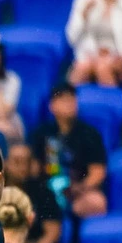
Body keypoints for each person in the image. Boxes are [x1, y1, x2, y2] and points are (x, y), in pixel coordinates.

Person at [28, 84, 108, 220]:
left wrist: (79, 188)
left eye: (72, 99)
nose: (69, 104)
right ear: (52, 106)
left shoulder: (89, 134)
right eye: (64, 100)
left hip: (78, 192)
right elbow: (33, 169)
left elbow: (98, 172)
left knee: (97, 202)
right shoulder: (41, 133)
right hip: (47, 191)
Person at [3, 142, 64, 243]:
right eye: (17, 162)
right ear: (6, 163)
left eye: (27, 162)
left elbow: (53, 233)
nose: (22, 167)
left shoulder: (43, 192)